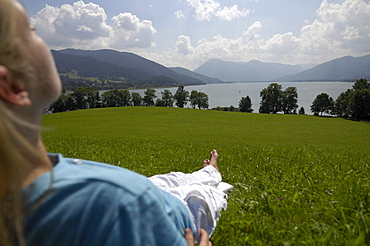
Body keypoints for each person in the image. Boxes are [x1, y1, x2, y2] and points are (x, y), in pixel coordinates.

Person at [0, 0, 229, 245]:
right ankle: (211, 172)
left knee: (170, 180)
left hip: (146, 192)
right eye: (32, 31)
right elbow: (127, 204)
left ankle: (202, 172)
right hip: (172, 210)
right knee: (202, 192)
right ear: (13, 87)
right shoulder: (119, 206)